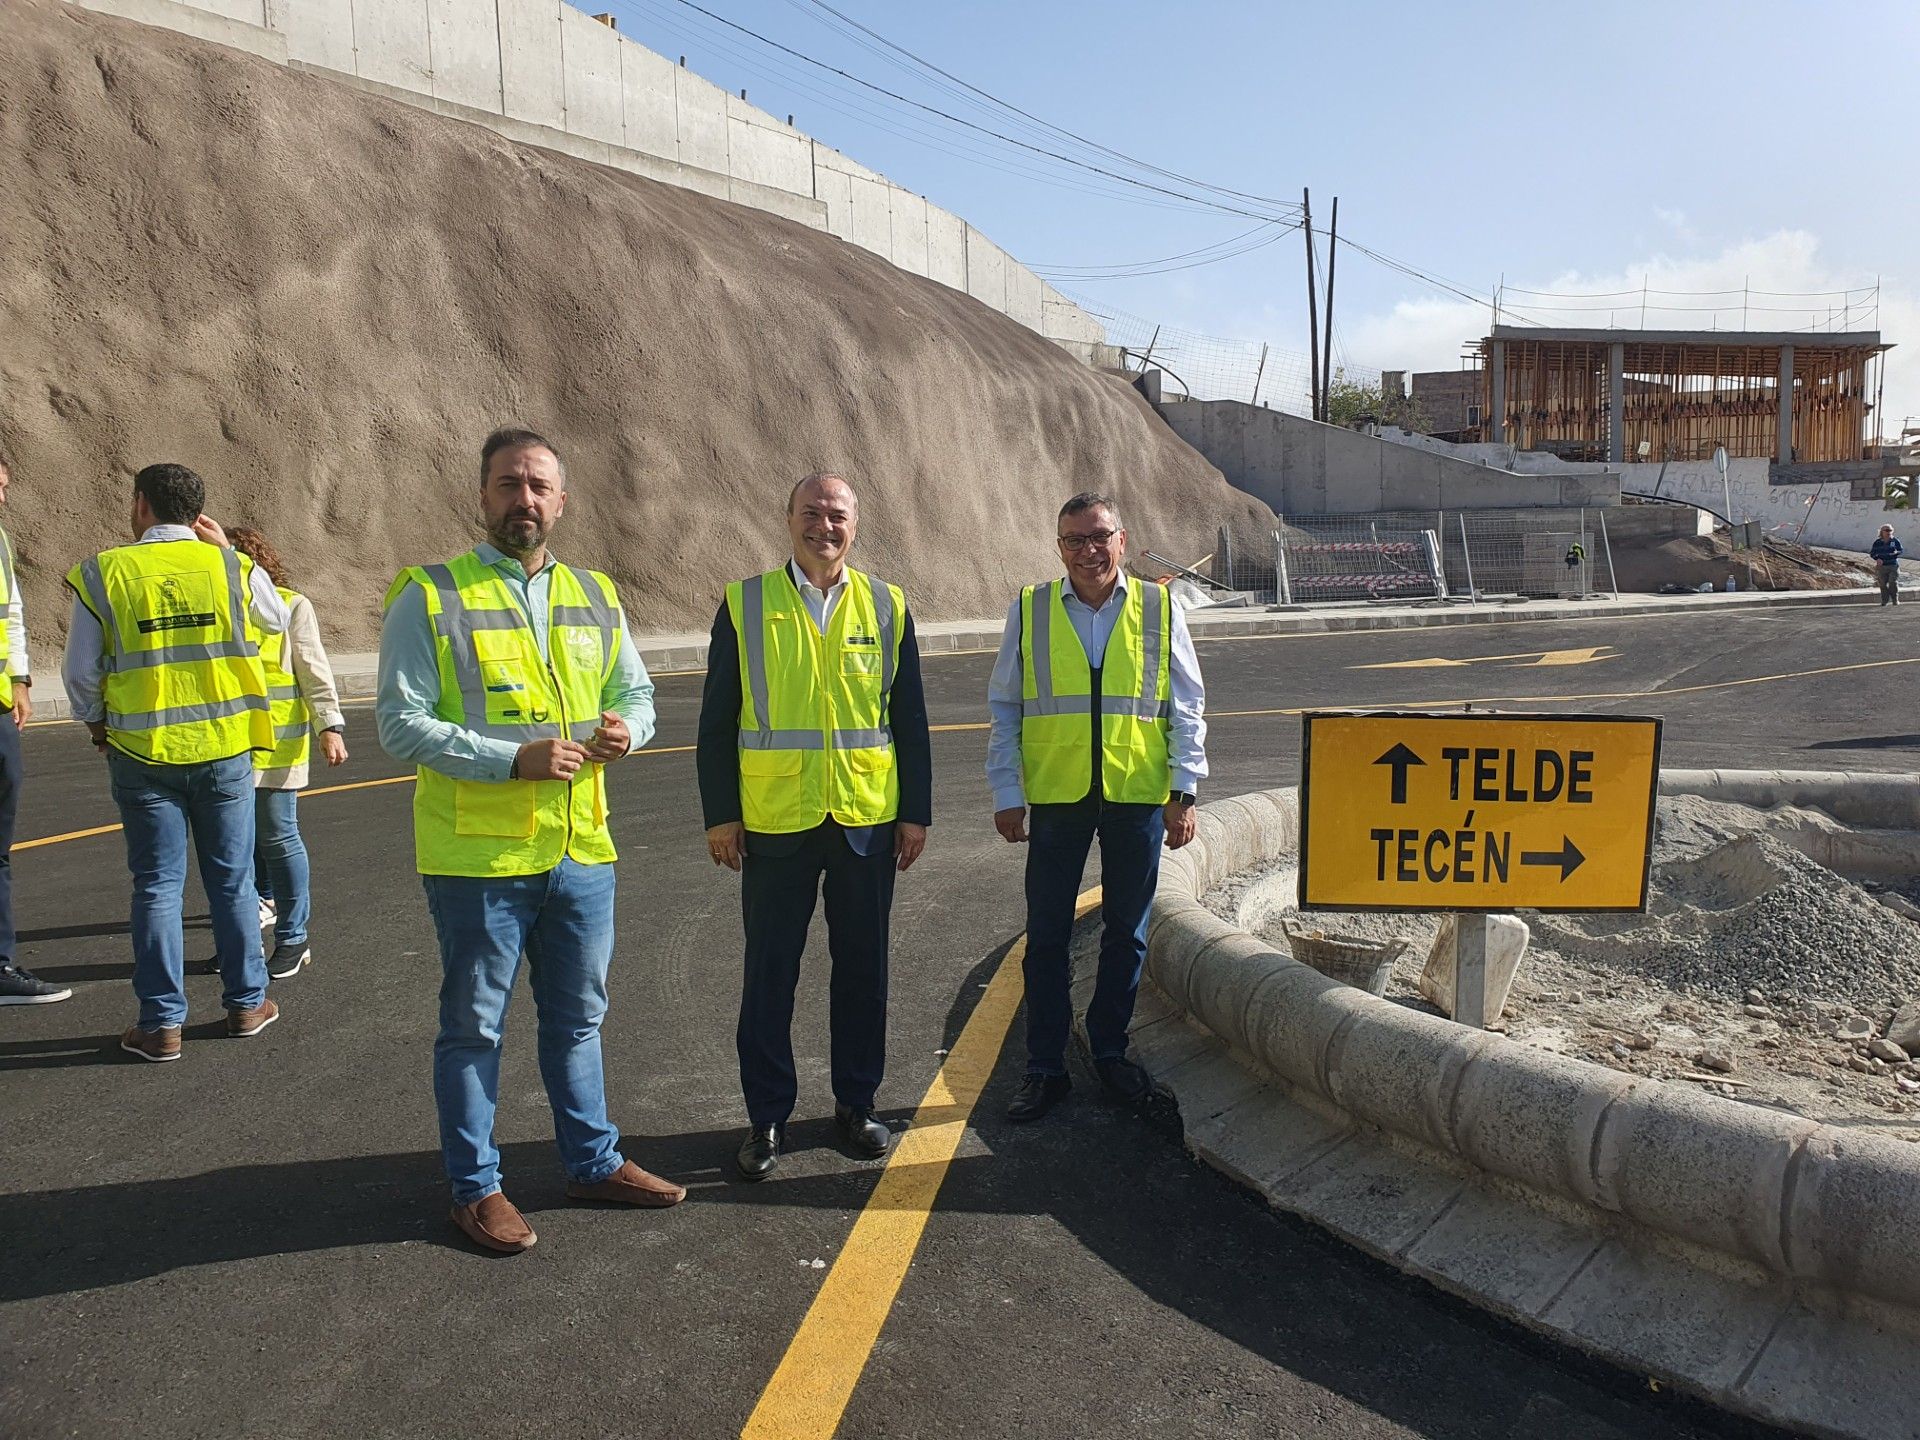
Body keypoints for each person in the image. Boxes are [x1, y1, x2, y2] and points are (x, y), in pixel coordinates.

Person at [377, 426, 683, 1255]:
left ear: (562, 501)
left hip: (581, 852)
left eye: (540, 486)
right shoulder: (431, 595)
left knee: (579, 1020)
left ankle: (592, 1160)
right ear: (482, 496)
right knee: (474, 1029)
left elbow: (637, 691)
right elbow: (400, 724)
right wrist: (510, 760)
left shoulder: (595, 593)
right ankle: (475, 1191)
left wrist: (630, 730)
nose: (525, 500)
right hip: (479, 859)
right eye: (509, 484)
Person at [697, 473, 931, 1182]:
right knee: (770, 973)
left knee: (865, 971)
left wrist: (914, 811)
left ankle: (856, 1105)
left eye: (837, 515)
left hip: (866, 819)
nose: (823, 526)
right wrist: (721, 815)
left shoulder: (888, 606)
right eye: (811, 513)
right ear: (788, 518)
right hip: (775, 822)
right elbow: (715, 720)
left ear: (855, 525)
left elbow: (908, 717)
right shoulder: (745, 603)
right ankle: (766, 1116)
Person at [987, 492, 1208, 1123]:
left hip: (1136, 795)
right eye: (1073, 540)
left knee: (1127, 934)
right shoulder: (1029, 611)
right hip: (1057, 798)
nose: (1087, 551)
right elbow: (1006, 706)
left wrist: (1182, 790)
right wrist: (1008, 792)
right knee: (1047, 936)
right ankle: (1045, 1067)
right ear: (1059, 546)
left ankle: (1110, 1051)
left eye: (1098, 537)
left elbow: (1186, 705)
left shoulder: (1161, 608)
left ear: (1122, 539)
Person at [63, 463, 288, 1060]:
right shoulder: (230, 566)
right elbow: (278, 617)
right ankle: (246, 1005)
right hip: (224, 751)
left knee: (157, 887)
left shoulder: (105, 572)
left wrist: (96, 726)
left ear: (141, 505)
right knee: (233, 882)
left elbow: (81, 672)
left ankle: (162, 1024)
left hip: (142, 752)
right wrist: (232, 553)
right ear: (198, 514)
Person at [227, 527, 347, 980]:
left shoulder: (292, 605)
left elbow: (313, 667)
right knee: (235, 849)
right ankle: (239, 941)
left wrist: (329, 726)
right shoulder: (217, 608)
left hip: (278, 746)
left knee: (277, 838)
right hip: (228, 746)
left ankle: (294, 939)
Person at [0, 450, 61, 1006]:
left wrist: (20, 679)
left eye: (3, 485)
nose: (0, 497)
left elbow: (11, 613)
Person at [1871, 524, 1902, 606]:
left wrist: (1896, 552)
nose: (1889, 532)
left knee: (1893, 582)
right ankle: (1885, 600)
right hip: (1882, 566)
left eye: (1890, 530)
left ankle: (1895, 599)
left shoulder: (1895, 541)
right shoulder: (1877, 542)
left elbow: (1900, 550)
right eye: (1887, 530)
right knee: (1882, 584)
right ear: (1882, 532)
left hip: (1893, 565)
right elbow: (1872, 553)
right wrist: (1877, 559)